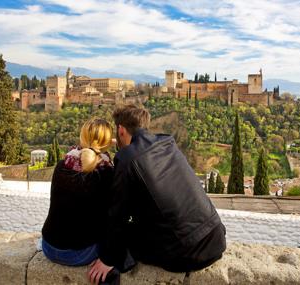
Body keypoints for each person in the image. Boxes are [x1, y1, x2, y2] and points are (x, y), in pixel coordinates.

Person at [88, 105, 226, 281]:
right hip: (215, 238)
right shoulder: (167, 142)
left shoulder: (127, 159)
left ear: (120, 130)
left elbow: (118, 214)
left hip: (186, 254)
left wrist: (108, 258)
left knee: (128, 230)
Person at [41, 118, 119, 284]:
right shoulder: (106, 173)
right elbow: (114, 218)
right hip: (78, 253)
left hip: (48, 246)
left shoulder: (62, 164)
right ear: (107, 142)